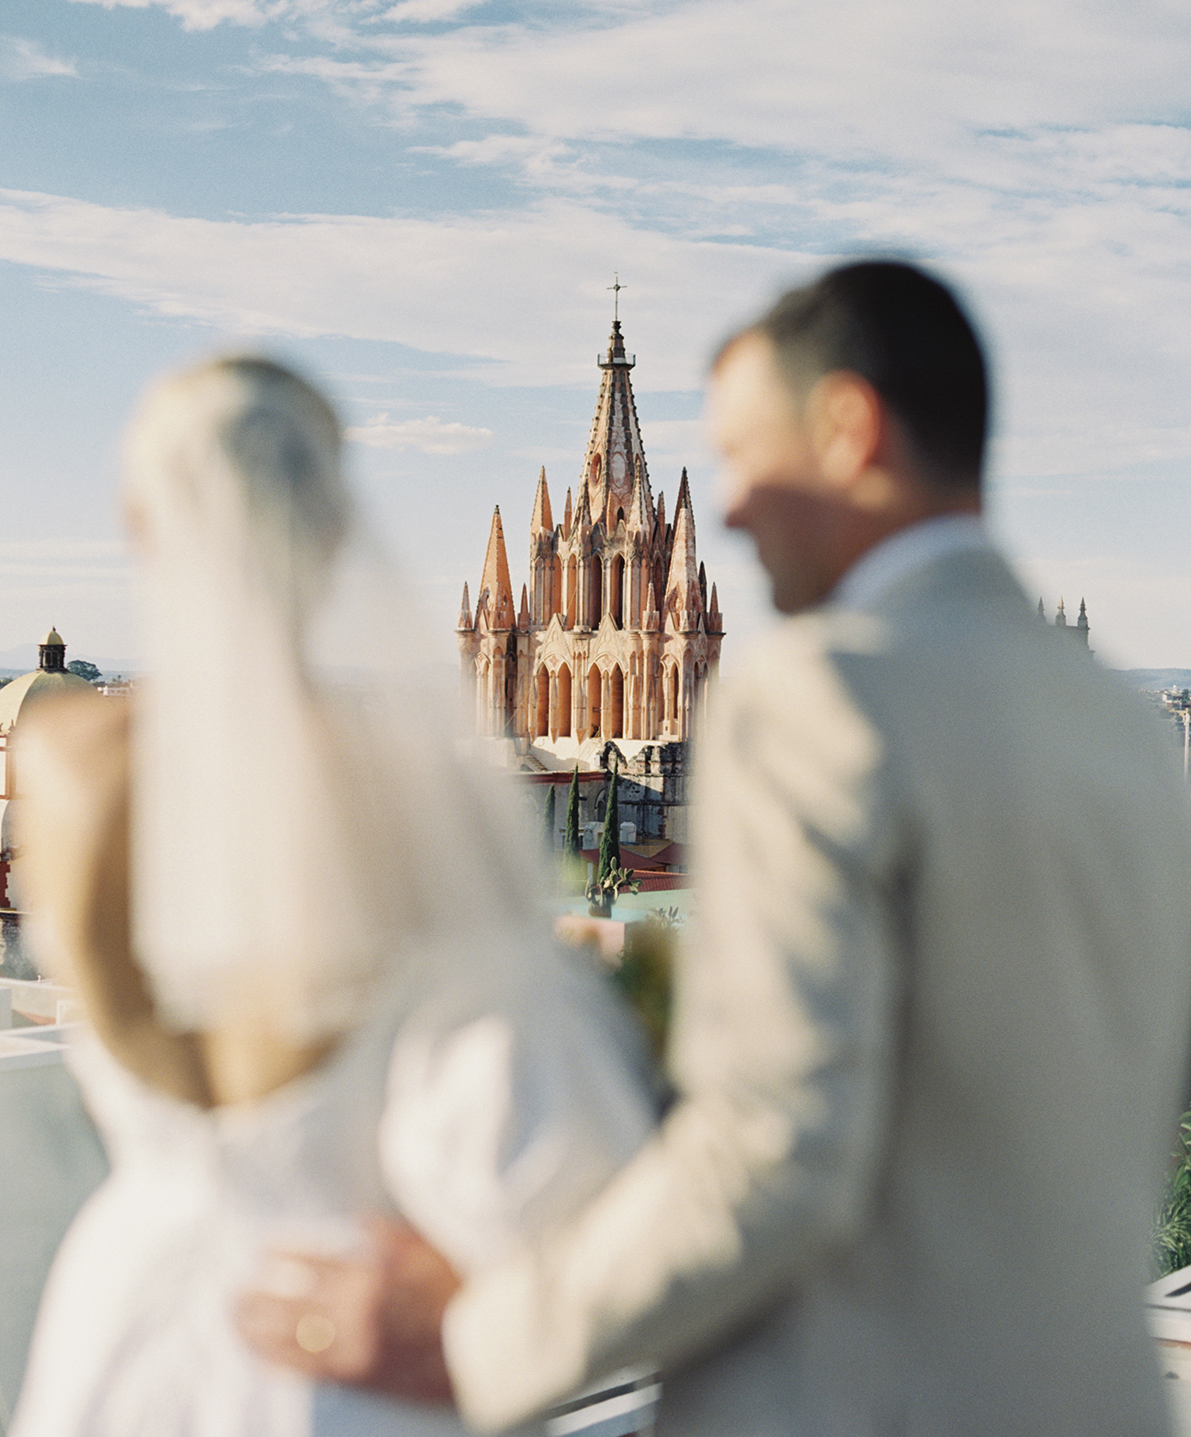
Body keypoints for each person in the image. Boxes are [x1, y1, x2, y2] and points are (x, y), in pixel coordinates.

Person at [242, 261, 1191, 1436]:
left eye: (747, 460)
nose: (729, 516)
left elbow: (774, 1147)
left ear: (849, 430)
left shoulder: (822, 700)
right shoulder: (1122, 724)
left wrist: (478, 1340)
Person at [9, 356, 656, 1437]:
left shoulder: (69, 759)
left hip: (126, 1326)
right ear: (335, 532)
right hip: (337, 1351)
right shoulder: (409, 787)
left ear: (139, 523)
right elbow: (556, 1167)